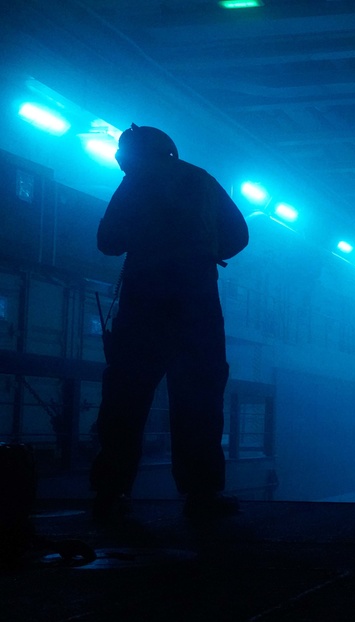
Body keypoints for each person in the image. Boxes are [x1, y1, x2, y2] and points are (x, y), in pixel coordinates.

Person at [90, 124, 249, 520]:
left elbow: (108, 241)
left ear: (129, 156)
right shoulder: (202, 179)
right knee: (199, 396)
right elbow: (239, 235)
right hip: (197, 301)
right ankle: (202, 494)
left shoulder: (134, 183)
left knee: (126, 396)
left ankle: (111, 492)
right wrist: (206, 250)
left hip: (144, 300)